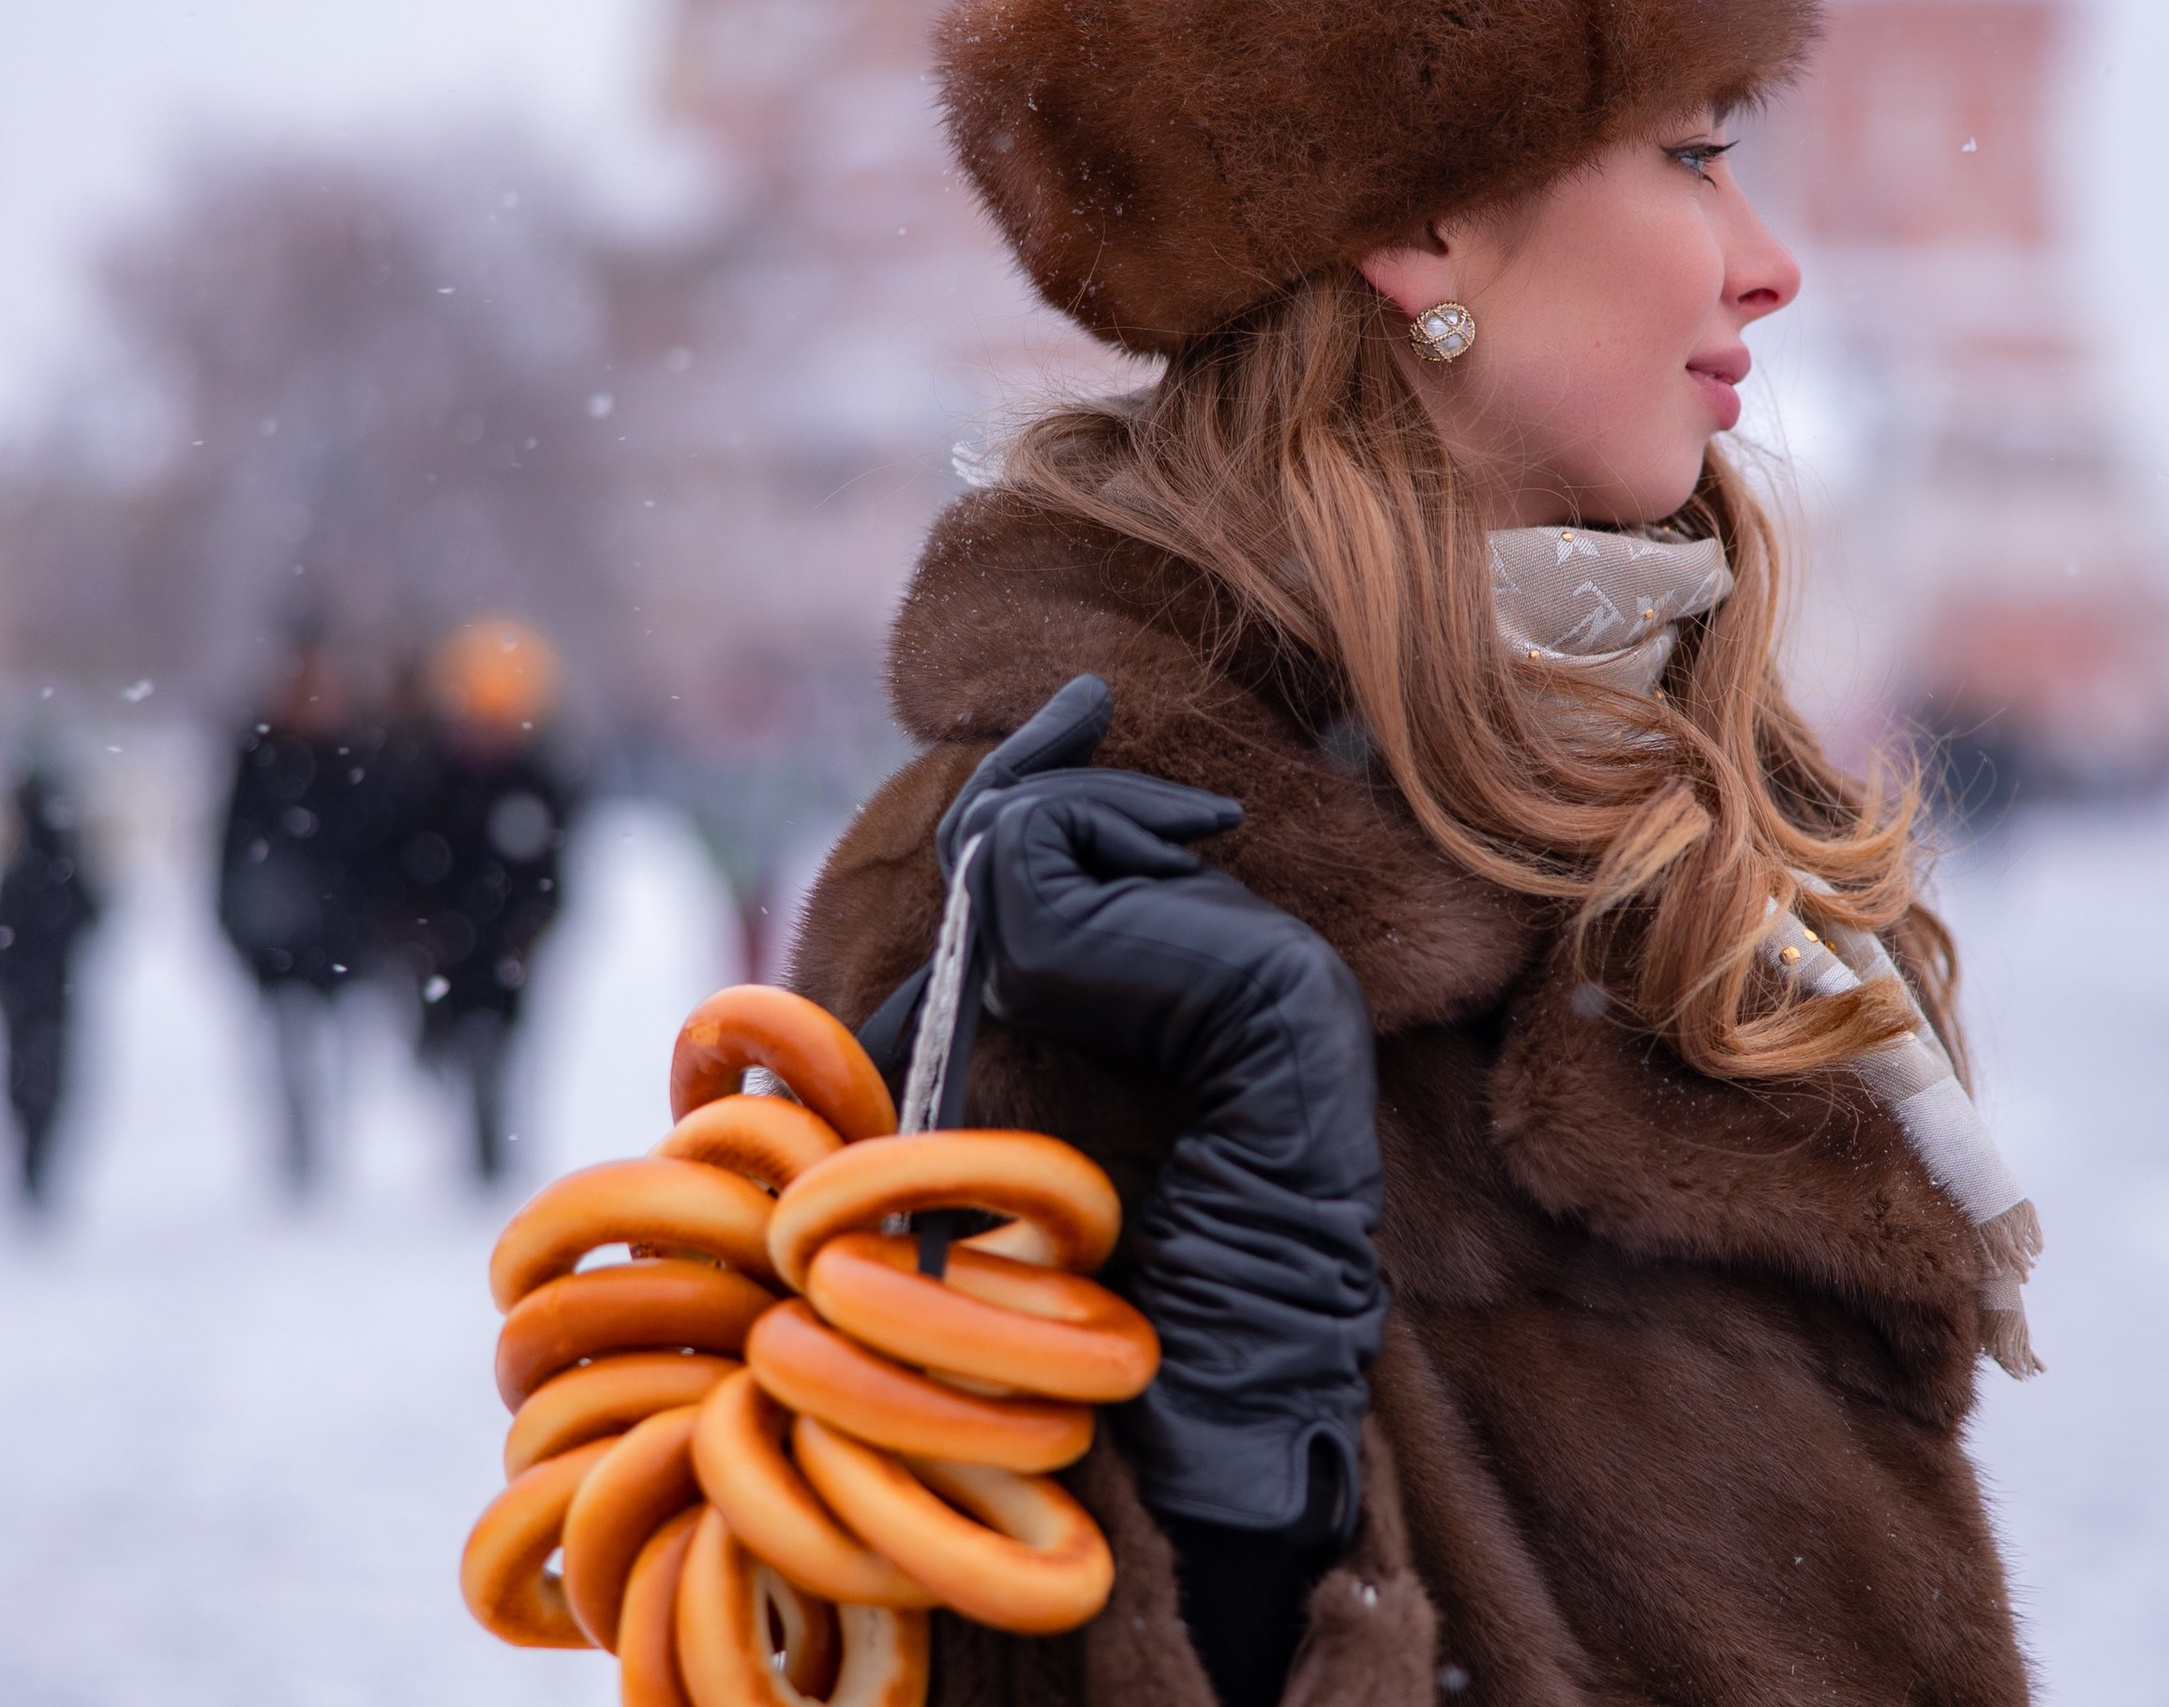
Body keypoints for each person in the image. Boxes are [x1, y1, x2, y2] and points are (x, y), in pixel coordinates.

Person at [789, 3, 2042, 1704]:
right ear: (1414, 221)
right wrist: (1250, 1359)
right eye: (1693, 157)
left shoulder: (1675, 804)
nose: (1768, 267)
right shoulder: (1051, 882)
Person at [402, 620, 573, 1184]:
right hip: (449, 937)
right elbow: (409, 853)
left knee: (499, 1038)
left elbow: (551, 863)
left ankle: (492, 1146)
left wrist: (537, 923)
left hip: (507, 937)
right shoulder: (432, 776)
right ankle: (475, 1126)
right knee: (452, 1029)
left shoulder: (535, 779)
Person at [217, 640, 371, 1194]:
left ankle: (324, 1144)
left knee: (332, 1050)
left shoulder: (349, 753)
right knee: (288, 1046)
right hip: (279, 939)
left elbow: (371, 849)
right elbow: (230, 848)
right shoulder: (262, 756)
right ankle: (296, 1148)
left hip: (336, 941)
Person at [0, 768, 99, 1208]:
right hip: (46, 985)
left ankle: (36, 1162)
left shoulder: (40, 858)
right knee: (42, 1075)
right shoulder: (59, 857)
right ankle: (36, 1162)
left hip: (38, 985)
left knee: (36, 1074)